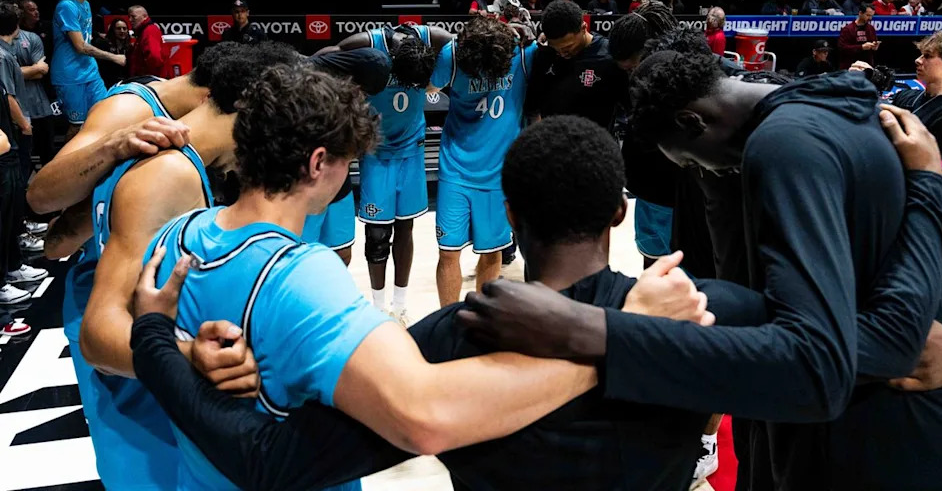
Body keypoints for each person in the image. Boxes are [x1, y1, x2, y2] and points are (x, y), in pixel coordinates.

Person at [127, 115, 764, 490]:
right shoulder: (702, 312)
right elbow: (842, 344)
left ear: (509, 214)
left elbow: (270, 461)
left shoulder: (445, 339)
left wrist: (156, 338)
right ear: (619, 213)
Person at [456, 55, 942, 490]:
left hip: (874, 441)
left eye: (696, 164)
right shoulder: (836, 114)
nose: (708, 175)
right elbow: (780, 308)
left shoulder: (785, 144)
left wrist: (595, 332)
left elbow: (828, 357)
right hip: (859, 428)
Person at [59, 44, 284, 489]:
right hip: (147, 403)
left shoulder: (159, 155)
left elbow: (61, 239)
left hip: (143, 391)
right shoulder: (170, 173)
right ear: (249, 105)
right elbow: (100, 339)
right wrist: (190, 357)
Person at [316, 24, 453, 322]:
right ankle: (378, 309)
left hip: (411, 148)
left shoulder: (433, 38)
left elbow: (461, 46)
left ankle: (400, 305)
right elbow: (326, 58)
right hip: (376, 148)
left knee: (405, 227)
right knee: (378, 233)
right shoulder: (368, 43)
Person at [426, 18, 531, 305]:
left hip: (499, 174)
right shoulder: (453, 55)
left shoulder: (522, 54)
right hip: (455, 168)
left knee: (492, 251)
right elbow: (429, 89)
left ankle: (482, 318)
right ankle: (446, 321)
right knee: (448, 251)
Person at [526, 0, 627, 134]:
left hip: (595, 148)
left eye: (568, 47)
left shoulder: (609, 57)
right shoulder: (544, 54)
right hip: (551, 146)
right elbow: (533, 107)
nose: (562, 53)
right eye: (557, 48)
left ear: (584, 28)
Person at [0, 4, 48, 284]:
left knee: (16, 190)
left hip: (10, 132)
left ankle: (20, 237)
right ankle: (15, 257)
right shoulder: (3, 56)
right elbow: (7, 96)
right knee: (12, 193)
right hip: (11, 132)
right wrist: (24, 124)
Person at [52, 0, 124, 139]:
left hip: (90, 72)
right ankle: (67, 164)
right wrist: (113, 57)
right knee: (77, 127)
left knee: (105, 117)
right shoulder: (66, 6)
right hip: (70, 75)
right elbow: (80, 46)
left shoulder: (86, 5)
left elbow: (86, 36)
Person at [890, 32, 942, 168]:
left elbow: (938, 169)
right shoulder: (905, 96)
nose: (918, 60)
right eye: (921, 54)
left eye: (927, 56)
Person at [127, 5, 165, 78]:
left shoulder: (149, 31)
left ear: (144, 16)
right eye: (129, 17)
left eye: (133, 16)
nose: (130, 20)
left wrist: (149, 78)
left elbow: (155, 58)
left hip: (150, 80)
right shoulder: (143, 32)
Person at [837, 3, 879, 69]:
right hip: (851, 66)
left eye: (872, 16)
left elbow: (874, 43)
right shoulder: (848, 29)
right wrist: (861, 47)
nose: (870, 18)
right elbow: (842, 48)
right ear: (860, 13)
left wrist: (874, 46)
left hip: (867, 67)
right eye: (868, 15)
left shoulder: (871, 28)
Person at [93, 17, 130, 87]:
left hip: (124, 83)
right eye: (118, 28)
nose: (122, 31)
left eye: (124, 28)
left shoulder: (129, 47)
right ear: (113, 30)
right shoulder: (103, 44)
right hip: (106, 83)